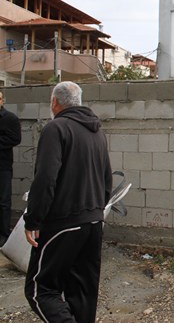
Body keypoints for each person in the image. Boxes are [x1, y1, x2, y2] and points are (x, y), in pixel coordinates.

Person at [23, 81, 112, 323]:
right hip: (93, 222)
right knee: (81, 291)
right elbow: (106, 181)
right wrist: (95, 211)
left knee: (40, 289)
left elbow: (45, 178)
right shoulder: (97, 133)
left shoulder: (56, 128)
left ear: (55, 102)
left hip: (63, 222)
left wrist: (33, 220)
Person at [0, 91, 21, 247]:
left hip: (3, 166)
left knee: (3, 201)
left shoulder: (10, 118)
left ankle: (4, 234)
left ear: (2, 100)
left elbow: (15, 138)